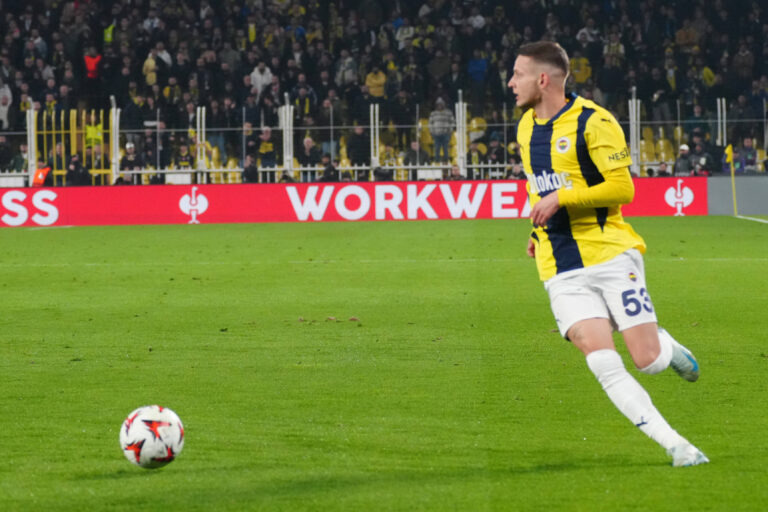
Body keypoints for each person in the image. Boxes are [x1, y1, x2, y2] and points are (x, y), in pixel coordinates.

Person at [509, 41, 708, 467]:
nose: (511, 83)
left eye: (518, 74)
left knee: (647, 360)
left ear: (542, 79)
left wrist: (562, 199)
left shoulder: (594, 122)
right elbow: (537, 184)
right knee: (601, 359)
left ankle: (667, 349)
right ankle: (678, 447)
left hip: (610, 254)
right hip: (559, 265)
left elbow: (624, 189)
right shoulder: (526, 127)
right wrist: (536, 226)